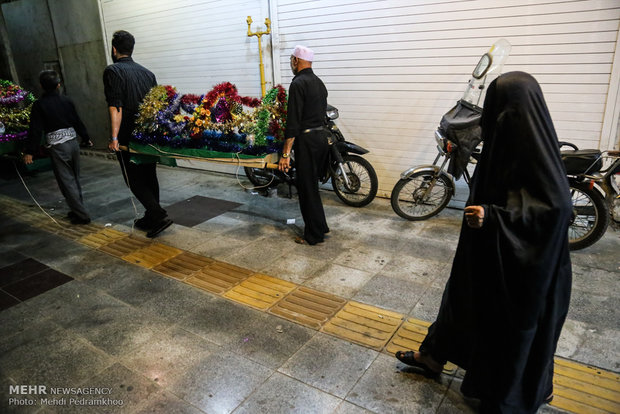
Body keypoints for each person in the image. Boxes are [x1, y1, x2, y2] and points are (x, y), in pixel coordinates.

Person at [395, 72, 573, 413]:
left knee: (509, 329)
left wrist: (494, 217)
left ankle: (517, 393)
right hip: (487, 250)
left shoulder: (535, 150)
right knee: (460, 299)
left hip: (521, 270)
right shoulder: (503, 143)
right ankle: (433, 356)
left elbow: (557, 209)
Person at [103, 30, 172, 238]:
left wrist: (114, 137)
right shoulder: (148, 73)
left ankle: (157, 214)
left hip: (128, 134)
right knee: (149, 174)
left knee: (133, 177)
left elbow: (116, 106)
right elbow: (158, 105)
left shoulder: (112, 71)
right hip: (148, 132)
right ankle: (151, 216)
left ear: (114, 49)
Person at [23, 70, 93, 225]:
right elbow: (77, 120)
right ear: (58, 85)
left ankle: (82, 215)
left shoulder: (39, 105)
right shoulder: (67, 101)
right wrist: (86, 138)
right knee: (74, 178)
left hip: (57, 146)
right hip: (73, 142)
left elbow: (35, 129)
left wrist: (30, 151)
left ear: (41, 86)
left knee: (66, 181)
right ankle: (76, 209)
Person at [278, 45, 330, 245]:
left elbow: (293, 122)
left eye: (291, 60)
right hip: (320, 139)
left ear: (295, 61)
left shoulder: (298, 83)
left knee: (306, 189)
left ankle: (313, 236)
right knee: (313, 187)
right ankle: (321, 226)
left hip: (307, 141)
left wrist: (285, 153)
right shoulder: (319, 82)